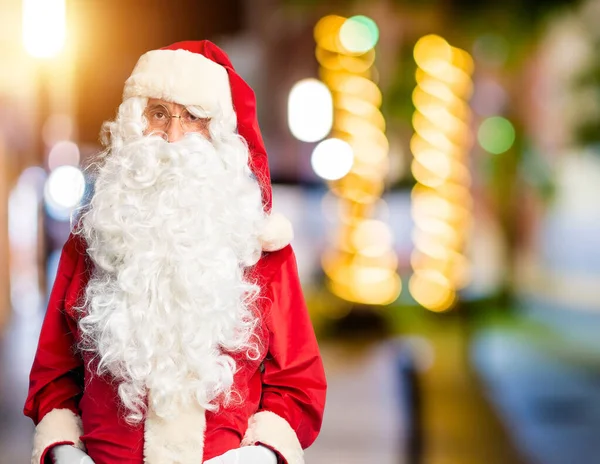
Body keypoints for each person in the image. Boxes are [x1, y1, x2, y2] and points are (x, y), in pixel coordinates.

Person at [24, 40, 327, 464]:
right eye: (158, 114)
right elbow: (53, 375)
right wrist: (65, 453)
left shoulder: (262, 249)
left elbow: (299, 384)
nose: (172, 136)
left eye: (194, 117)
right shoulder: (93, 240)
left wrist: (256, 456)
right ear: (134, 123)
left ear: (219, 133)